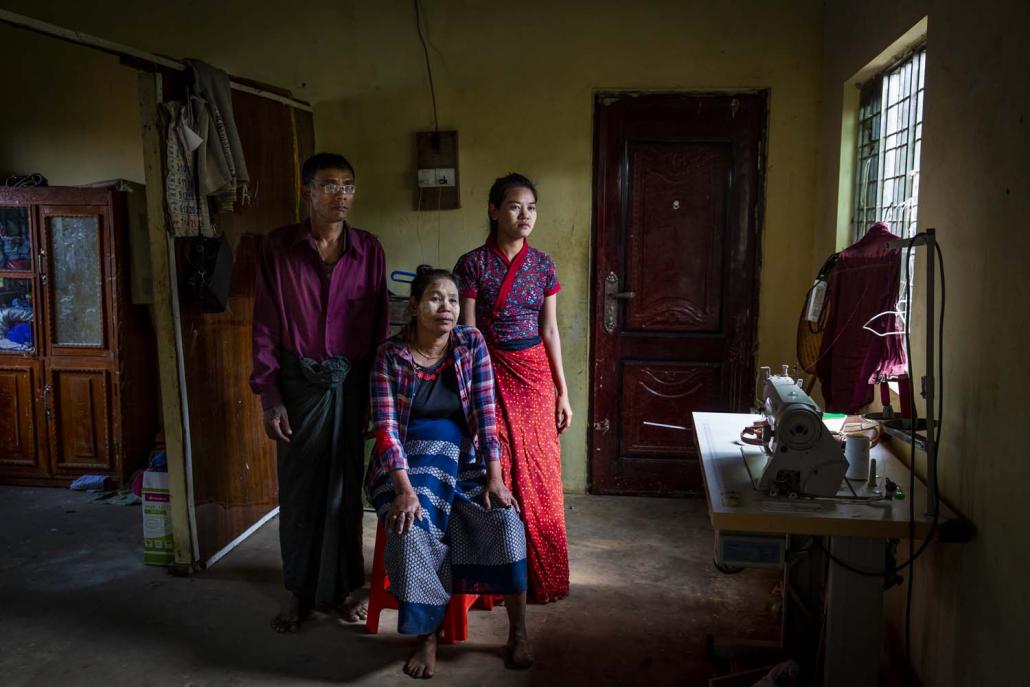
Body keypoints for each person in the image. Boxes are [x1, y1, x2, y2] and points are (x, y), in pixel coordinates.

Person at [366, 266, 533, 678]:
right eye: (436, 299)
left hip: (463, 460)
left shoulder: (470, 343)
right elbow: (386, 431)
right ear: (415, 307)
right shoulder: (391, 356)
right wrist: (404, 489)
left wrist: (495, 476)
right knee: (411, 524)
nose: (447, 308)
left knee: (505, 519)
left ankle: (519, 631)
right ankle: (426, 635)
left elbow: (484, 413)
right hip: (405, 465)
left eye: (454, 300)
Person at [250, 152, 388, 632]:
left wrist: (374, 396)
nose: (341, 196)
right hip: (297, 383)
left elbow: (376, 331)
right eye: (329, 186)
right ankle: (298, 591)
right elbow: (265, 323)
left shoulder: (368, 250)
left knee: (345, 491)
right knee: (301, 490)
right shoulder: (278, 247)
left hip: (349, 385)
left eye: (348, 186)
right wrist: (270, 395)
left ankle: (344, 589)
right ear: (307, 191)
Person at [453, 173, 571, 603]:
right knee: (495, 466)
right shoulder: (472, 264)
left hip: (535, 374)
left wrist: (563, 391)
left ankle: (543, 576)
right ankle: (497, 582)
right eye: (515, 207)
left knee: (539, 472)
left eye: (532, 208)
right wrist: (470, 387)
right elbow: (466, 331)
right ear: (494, 210)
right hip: (489, 371)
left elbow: (551, 331)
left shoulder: (543, 264)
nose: (525, 216)